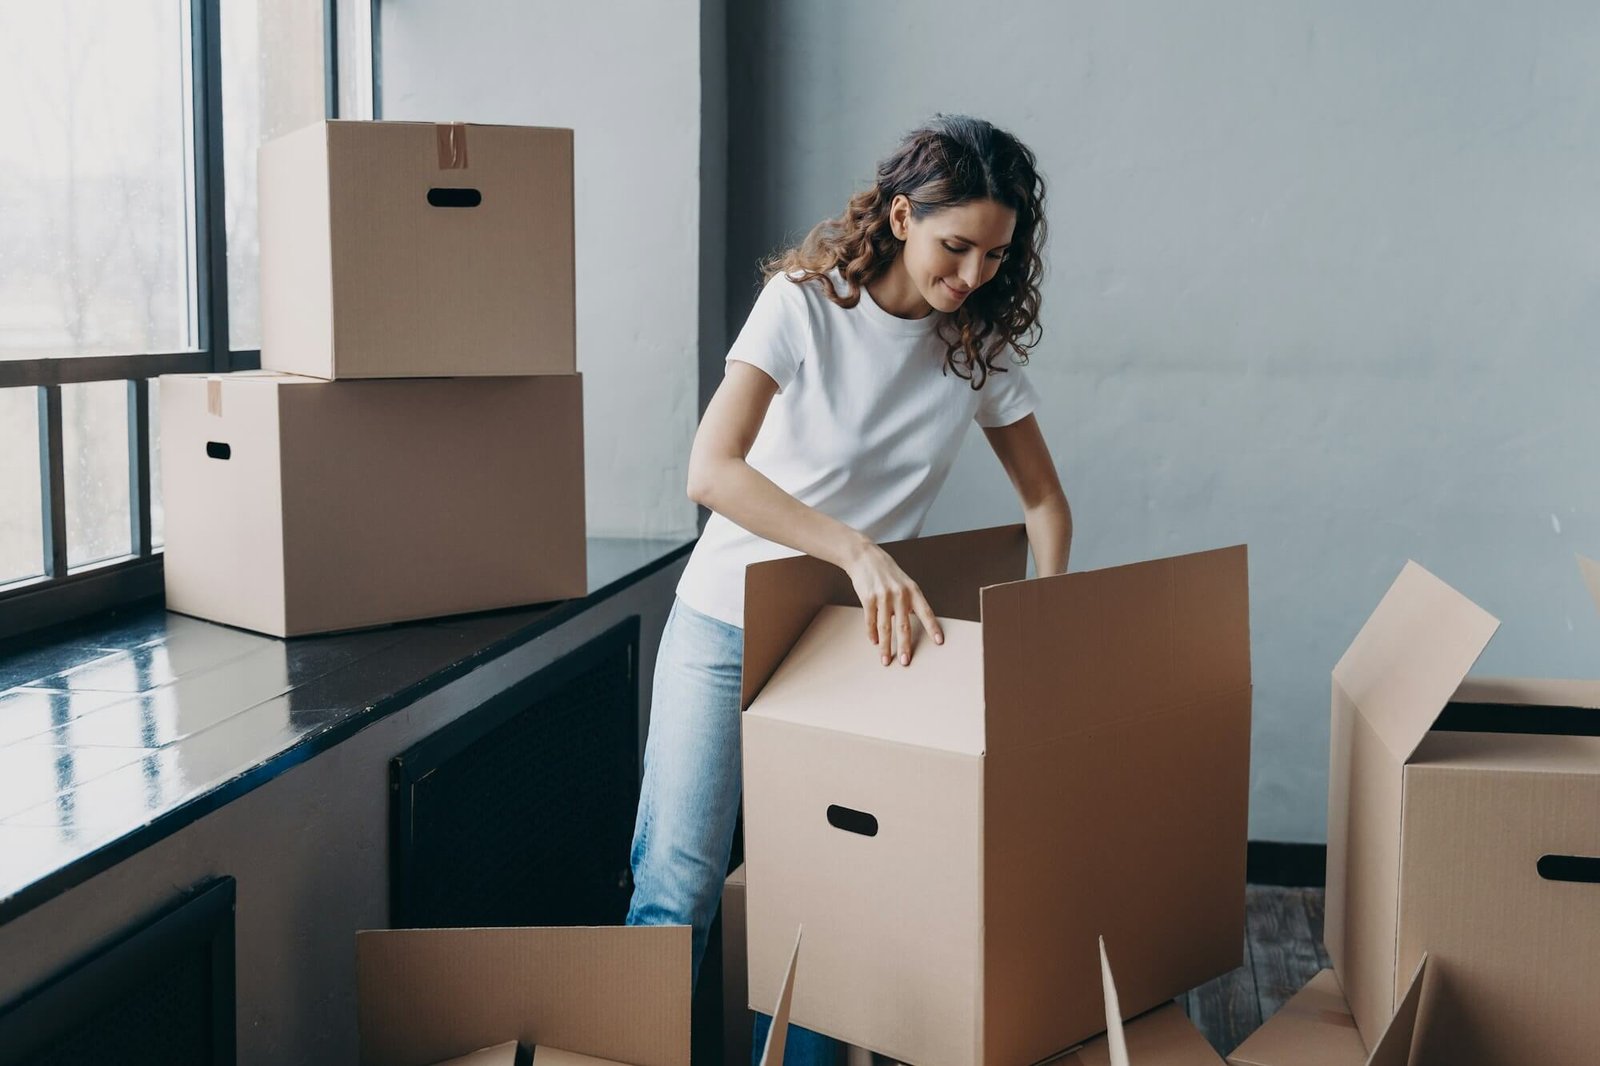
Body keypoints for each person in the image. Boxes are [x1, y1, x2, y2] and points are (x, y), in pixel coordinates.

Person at [625, 114, 1071, 1066]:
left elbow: (1045, 504)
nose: (973, 275)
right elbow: (711, 470)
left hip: (847, 653)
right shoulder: (805, 304)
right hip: (724, 621)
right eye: (957, 247)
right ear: (903, 217)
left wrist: (1048, 625)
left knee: (827, 907)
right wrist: (857, 551)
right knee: (677, 884)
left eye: (996, 255)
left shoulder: (977, 346)